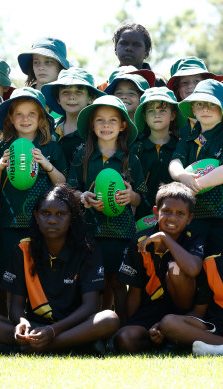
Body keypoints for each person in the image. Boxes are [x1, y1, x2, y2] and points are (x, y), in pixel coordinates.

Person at [0, 185, 119, 355]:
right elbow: (16, 306)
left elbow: (91, 307)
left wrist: (53, 331)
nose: (52, 220)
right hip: (36, 327)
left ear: (72, 218)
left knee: (109, 319)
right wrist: (22, 322)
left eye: (61, 214)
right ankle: (73, 346)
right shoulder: (24, 248)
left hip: (72, 326)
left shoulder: (87, 249)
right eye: (45, 213)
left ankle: (21, 349)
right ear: (36, 217)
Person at [68, 95, 146, 322]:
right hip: (90, 232)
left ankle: (120, 329)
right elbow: (70, 190)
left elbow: (143, 197)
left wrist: (132, 197)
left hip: (122, 234)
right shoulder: (83, 154)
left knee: (119, 283)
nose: (106, 125)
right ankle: (92, 331)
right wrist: (83, 197)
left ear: (123, 125)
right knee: (93, 284)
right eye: (100, 120)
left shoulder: (131, 158)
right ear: (92, 124)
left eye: (112, 120)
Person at [0, 88, 67, 316]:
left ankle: (38, 319)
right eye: (19, 114)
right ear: (11, 119)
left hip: (41, 227)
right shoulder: (1, 148)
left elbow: (62, 185)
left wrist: (46, 164)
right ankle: (6, 322)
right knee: (4, 275)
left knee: (39, 274)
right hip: (7, 224)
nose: (25, 119)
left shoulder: (52, 148)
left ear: (41, 118)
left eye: (32, 114)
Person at [114, 182, 203, 353]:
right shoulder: (141, 241)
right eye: (166, 211)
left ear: (189, 218)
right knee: (125, 339)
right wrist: (132, 323)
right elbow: (134, 292)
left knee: (176, 270)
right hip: (150, 311)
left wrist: (164, 237)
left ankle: (174, 335)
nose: (172, 218)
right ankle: (160, 340)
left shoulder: (193, 238)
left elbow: (192, 269)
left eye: (180, 213)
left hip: (181, 314)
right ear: (156, 212)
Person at [169, 79, 223, 256]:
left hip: (219, 217)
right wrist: (182, 176)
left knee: (217, 266)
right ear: (192, 109)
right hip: (192, 216)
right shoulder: (188, 137)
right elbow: (175, 161)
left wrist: (196, 185)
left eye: (211, 104)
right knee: (192, 265)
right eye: (200, 104)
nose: (205, 109)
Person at [150, 251, 223, 356]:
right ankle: (218, 346)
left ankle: (214, 348)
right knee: (168, 323)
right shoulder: (211, 264)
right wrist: (160, 326)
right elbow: (199, 312)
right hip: (217, 327)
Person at [132, 88, 186, 220]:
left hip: (175, 218)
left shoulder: (182, 146)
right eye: (151, 111)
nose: (157, 115)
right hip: (140, 217)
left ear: (173, 115)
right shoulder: (136, 148)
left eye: (163, 110)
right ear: (144, 116)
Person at [41, 67, 106, 164]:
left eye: (79, 92)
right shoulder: (49, 129)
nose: (71, 97)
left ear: (91, 98)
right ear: (58, 99)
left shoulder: (96, 132)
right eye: (65, 92)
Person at [166, 56, 223, 139]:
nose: (191, 86)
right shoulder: (171, 119)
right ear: (176, 88)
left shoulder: (219, 110)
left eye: (197, 81)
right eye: (184, 82)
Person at [111, 23, 167, 87]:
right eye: (124, 43)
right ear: (115, 48)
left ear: (146, 52)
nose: (129, 48)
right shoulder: (106, 86)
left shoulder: (158, 83)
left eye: (136, 45)